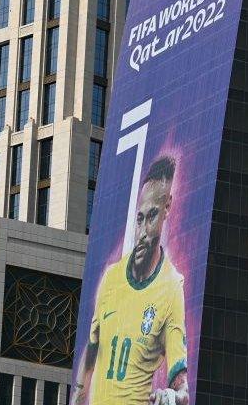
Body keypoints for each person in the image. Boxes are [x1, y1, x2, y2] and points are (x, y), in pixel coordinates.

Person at [73, 157, 189, 405]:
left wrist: (169, 397)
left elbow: (183, 390)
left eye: (152, 216)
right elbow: (92, 348)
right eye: (140, 219)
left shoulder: (171, 289)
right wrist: (79, 392)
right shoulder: (111, 277)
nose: (143, 231)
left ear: (167, 208)